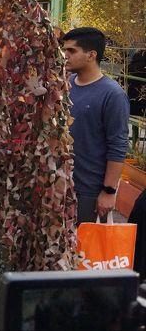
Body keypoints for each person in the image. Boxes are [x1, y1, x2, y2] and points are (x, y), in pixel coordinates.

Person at [62, 27, 129, 223]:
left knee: (85, 250)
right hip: (61, 185)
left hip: (89, 192)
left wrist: (109, 191)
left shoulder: (112, 95)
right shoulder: (67, 84)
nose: (65, 56)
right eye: (64, 50)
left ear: (91, 55)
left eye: (72, 51)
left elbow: (118, 145)